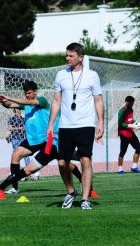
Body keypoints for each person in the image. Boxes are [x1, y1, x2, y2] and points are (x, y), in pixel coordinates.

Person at [0, 80, 97, 198]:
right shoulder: (27, 104)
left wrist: (10, 97)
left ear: (35, 92)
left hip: (50, 141)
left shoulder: (42, 101)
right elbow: (10, 105)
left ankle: (87, 189)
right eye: (26, 93)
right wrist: (3, 102)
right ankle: (8, 188)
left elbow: (31, 102)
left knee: (72, 162)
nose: (27, 95)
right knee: (23, 162)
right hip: (40, 141)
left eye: (29, 93)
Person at [47, 42, 104, 210]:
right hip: (65, 126)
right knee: (62, 163)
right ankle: (71, 191)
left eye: (71, 56)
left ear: (81, 58)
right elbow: (56, 101)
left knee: (86, 160)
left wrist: (100, 122)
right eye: (66, 55)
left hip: (86, 125)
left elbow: (98, 100)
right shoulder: (60, 75)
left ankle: (85, 199)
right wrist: (51, 124)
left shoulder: (92, 75)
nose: (67, 58)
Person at [117, 96, 140, 174]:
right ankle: (120, 169)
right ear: (127, 102)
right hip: (124, 134)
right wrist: (132, 126)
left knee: (138, 148)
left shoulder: (131, 109)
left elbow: (130, 119)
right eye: (131, 102)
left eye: (133, 102)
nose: (132, 104)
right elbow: (120, 123)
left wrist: (137, 123)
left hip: (131, 133)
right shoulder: (122, 111)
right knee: (123, 151)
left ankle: (134, 167)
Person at [7, 109, 32, 176]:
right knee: (16, 155)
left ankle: (29, 170)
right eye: (17, 111)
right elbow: (9, 128)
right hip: (15, 139)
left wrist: (21, 128)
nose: (19, 112)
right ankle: (17, 171)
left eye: (20, 111)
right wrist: (20, 128)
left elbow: (26, 128)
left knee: (26, 154)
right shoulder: (11, 119)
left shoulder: (23, 119)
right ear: (14, 112)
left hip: (23, 139)